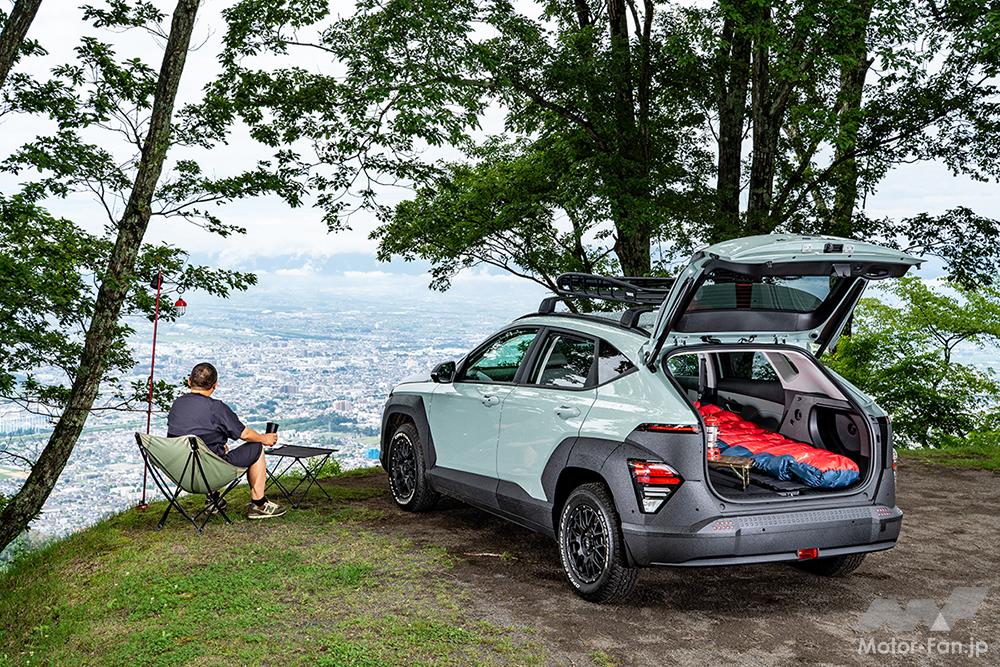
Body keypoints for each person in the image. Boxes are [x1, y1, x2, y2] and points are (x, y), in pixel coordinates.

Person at [167, 362, 286, 519]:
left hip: (181, 472)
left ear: (189, 381)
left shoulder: (177, 404)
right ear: (215, 385)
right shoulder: (215, 408)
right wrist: (264, 438)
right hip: (210, 474)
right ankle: (259, 504)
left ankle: (213, 500)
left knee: (214, 449)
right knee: (256, 447)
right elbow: (245, 434)